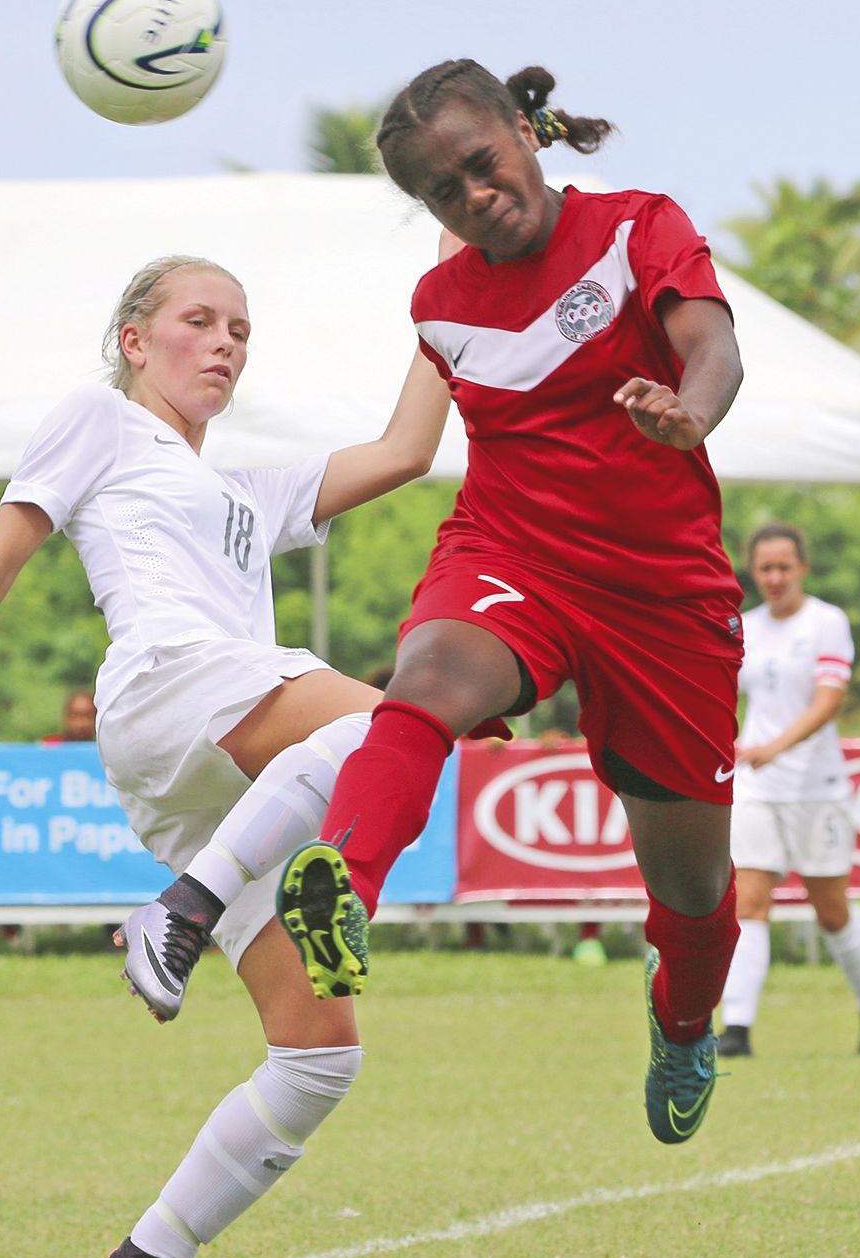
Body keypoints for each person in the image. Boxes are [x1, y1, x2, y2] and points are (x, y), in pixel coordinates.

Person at [0, 252, 453, 1258]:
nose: (225, 340)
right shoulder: (98, 418)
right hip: (170, 688)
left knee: (318, 1055)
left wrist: (457, 282)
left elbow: (407, 449)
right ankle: (174, 910)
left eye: (240, 326)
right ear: (135, 338)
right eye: (199, 319)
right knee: (398, 724)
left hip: (210, 774)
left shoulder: (247, 492)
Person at [276, 58, 747, 1148]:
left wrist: (688, 411)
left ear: (524, 137)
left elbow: (711, 343)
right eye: (443, 192)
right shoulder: (438, 308)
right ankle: (341, 887)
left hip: (663, 594)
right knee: (427, 681)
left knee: (691, 892)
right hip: (513, 550)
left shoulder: (638, 227)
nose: (473, 195)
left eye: (480, 164)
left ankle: (680, 1018)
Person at [718, 523, 860, 1056]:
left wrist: (777, 747)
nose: (774, 578)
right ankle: (738, 1029)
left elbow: (829, 699)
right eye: (765, 568)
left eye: (783, 568)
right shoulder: (744, 626)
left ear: (802, 568)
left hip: (817, 785)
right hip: (756, 786)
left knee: (831, 910)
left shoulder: (827, 622)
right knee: (748, 900)